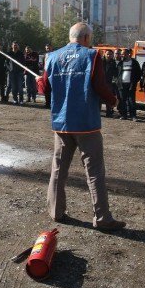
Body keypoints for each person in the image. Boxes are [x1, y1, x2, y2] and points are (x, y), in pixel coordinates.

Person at [41, 22, 125, 230]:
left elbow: (44, 88)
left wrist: (39, 82)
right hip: (86, 123)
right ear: (86, 38)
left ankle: (56, 211)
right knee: (95, 171)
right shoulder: (91, 56)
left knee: (59, 170)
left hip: (61, 123)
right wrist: (113, 100)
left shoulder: (52, 57)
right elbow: (99, 85)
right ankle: (102, 218)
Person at [116, 48, 141, 121]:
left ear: (128, 54)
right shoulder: (120, 63)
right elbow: (117, 73)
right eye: (122, 54)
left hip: (131, 85)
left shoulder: (134, 62)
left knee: (131, 101)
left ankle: (133, 116)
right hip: (121, 85)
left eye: (124, 54)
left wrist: (134, 82)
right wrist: (118, 81)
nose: (122, 55)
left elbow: (139, 74)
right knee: (122, 101)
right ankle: (124, 115)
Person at [103, 50, 119, 118]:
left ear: (112, 55)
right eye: (108, 54)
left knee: (108, 98)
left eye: (110, 54)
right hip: (101, 82)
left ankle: (109, 113)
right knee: (99, 99)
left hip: (109, 83)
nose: (109, 56)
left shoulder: (113, 62)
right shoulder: (100, 61)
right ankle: (97, 113)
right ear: (105, 54)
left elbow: (115, 73)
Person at [43, 44, 53, 109]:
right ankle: (47, 103)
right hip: (46, 72)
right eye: (47, 48)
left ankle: (53, 103)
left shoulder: (55, 54)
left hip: (53, 72)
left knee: (53, 88)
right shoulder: (45, 55)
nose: (48, 49)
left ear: (51, 48)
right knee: (46, 88)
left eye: (49, 48)